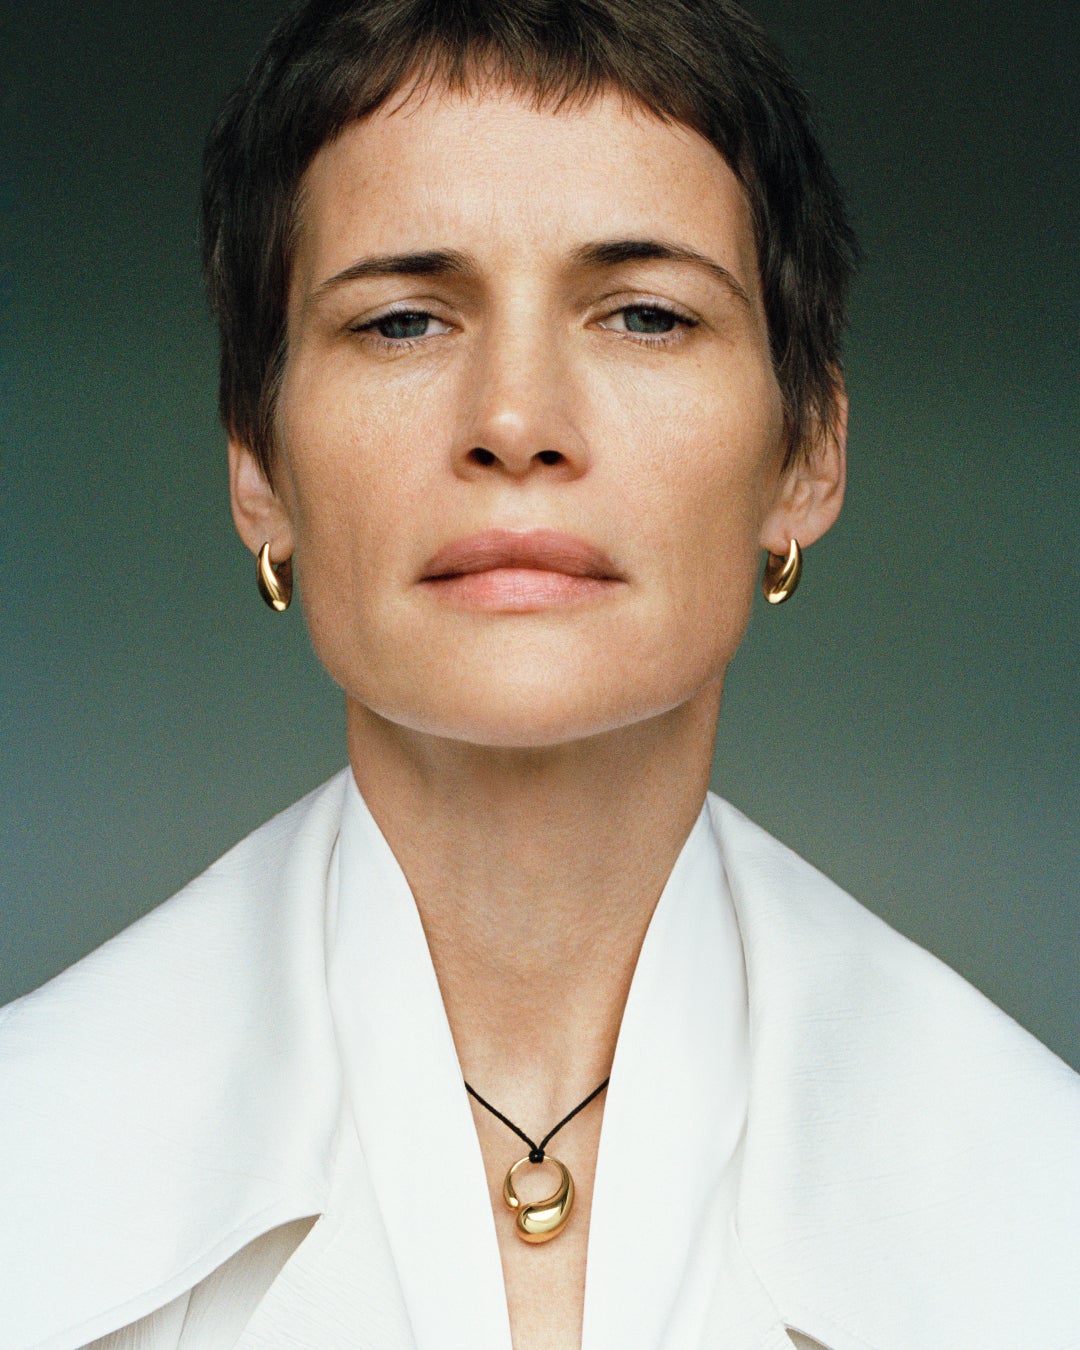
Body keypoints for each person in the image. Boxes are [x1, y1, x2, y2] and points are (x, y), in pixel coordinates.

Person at [2, 1, 1077, 1347]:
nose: (515, 421)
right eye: (403, 321)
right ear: (257, 463)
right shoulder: (25, 1158)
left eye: (645, 314)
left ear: (807, 452)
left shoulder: (1042, 1203)